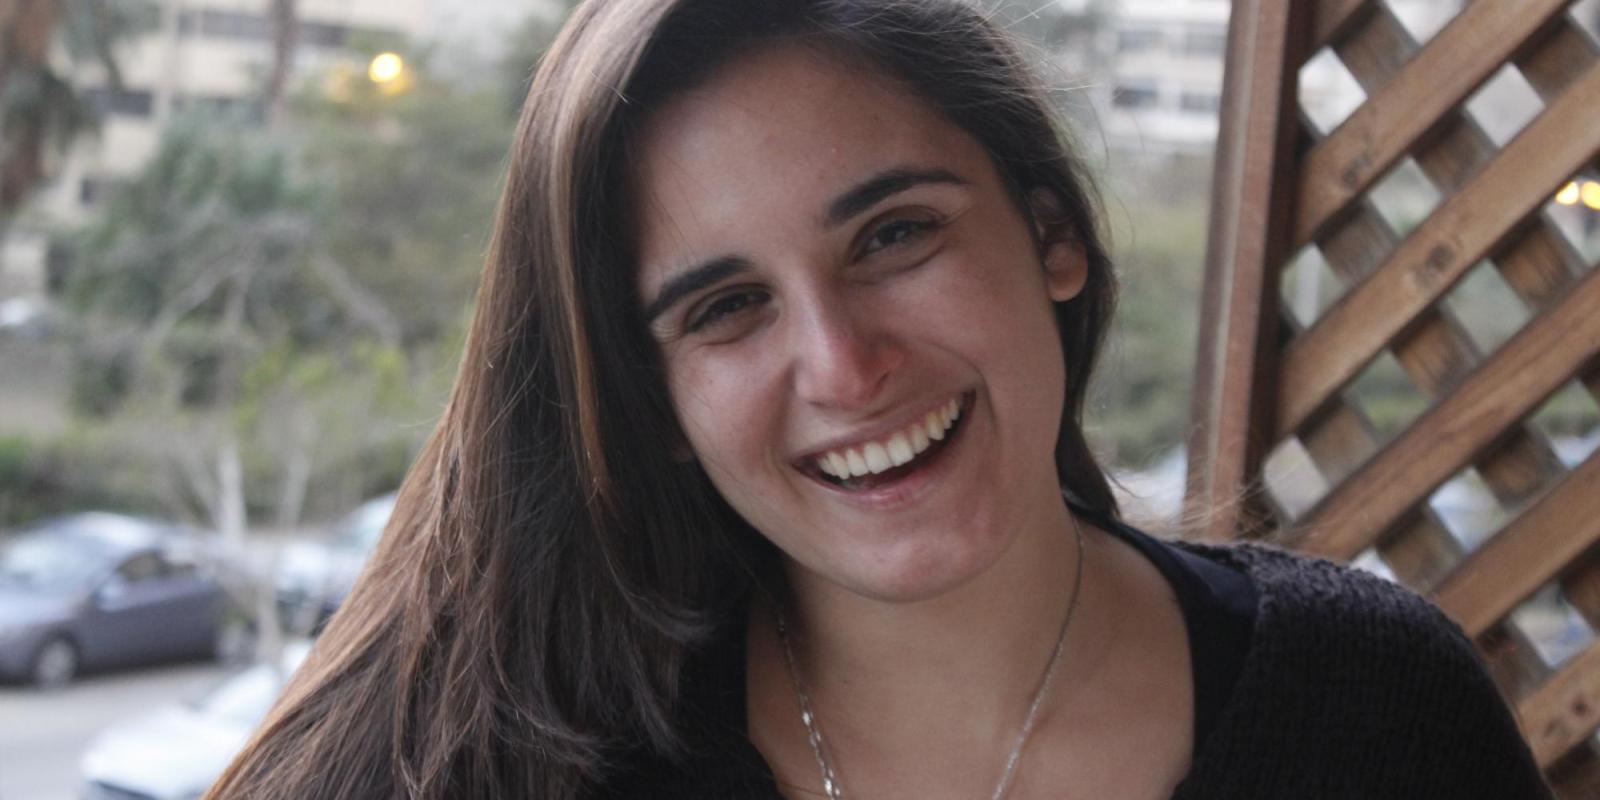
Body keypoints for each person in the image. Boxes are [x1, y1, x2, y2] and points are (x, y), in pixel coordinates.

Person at [208, 1, 1552, 798]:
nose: (845, 369)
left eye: (895, 236)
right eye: (726, 308)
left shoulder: (1384, 713)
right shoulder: (520, 769)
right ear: (655, 402)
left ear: (1051, 236)